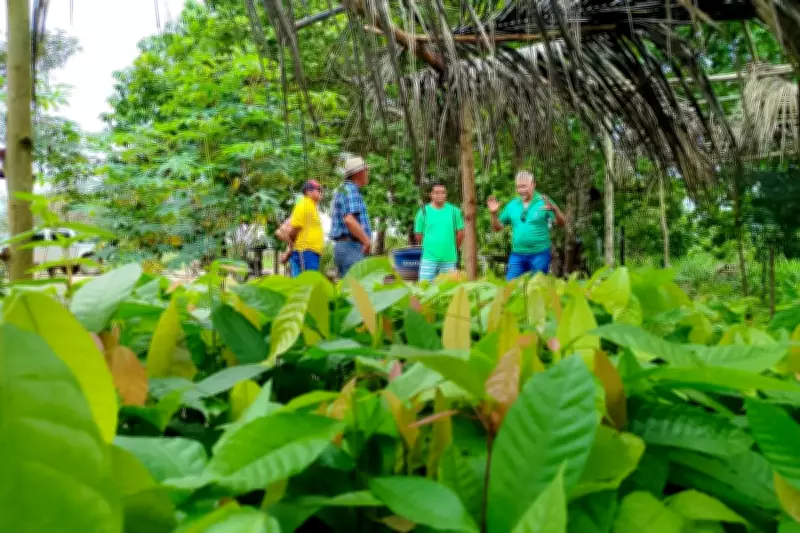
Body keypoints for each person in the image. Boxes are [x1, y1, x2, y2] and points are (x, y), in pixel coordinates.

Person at [487, 171, 565, 280]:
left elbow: (562, 223)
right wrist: (493, 214)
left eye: (523, 186)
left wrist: (555, 210)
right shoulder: (512, 204)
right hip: (517, 255)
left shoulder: (543, 201)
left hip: (539, 255)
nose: (520, 190)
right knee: (511, 285)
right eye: (518, 187)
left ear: (533, 185)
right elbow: (497, 228)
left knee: (536, 286)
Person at [330, 155, 372, 277]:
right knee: (356, 287)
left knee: (350, 287)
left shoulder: (346, 189)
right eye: (366, 170)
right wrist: (367, 241)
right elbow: (349, 220)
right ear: (359, 173)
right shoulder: (351, 189)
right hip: (351, 247)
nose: (367, 173)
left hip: (347, 247)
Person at [414, 182, 464, 282]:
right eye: (437, 192)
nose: (440, 195)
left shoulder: (455, 212)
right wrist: (430, 246)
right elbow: (419, 235)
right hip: (428, 258)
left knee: (448, 287)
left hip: (449, 258)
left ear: (446, 194)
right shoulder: (423, 212)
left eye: (443, 192)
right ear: (431, 195)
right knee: (424, 287)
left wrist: (452, 248)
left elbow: (460, 233)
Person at [275, 179, 324, 277]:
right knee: (306, 283)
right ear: (309, 192)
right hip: (305, 252)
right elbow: (292, 232)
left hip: (309, 252)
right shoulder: (304, 205)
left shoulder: (311, 206)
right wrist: (289, 250)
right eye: (318, 189)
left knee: (308, 282)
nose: (321, 192)